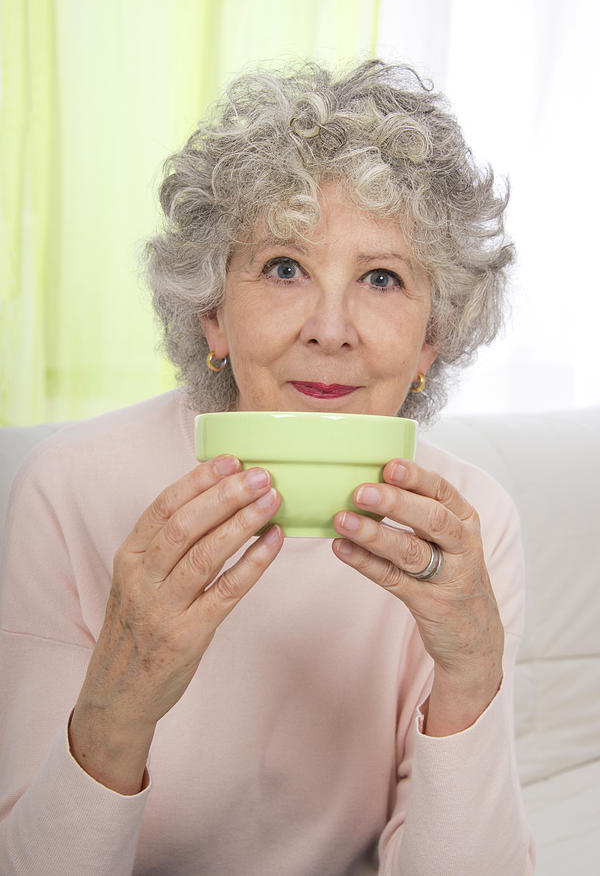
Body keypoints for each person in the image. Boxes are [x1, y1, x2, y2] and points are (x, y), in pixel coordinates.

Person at [0, 60, 535, 874]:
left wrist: (473, 677)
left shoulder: (469, 526)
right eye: (285, 268)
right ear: (212, 312)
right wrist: (123, 696)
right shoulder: (69, 489)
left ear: (434, 336)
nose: (330, 327)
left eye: (382, 278)